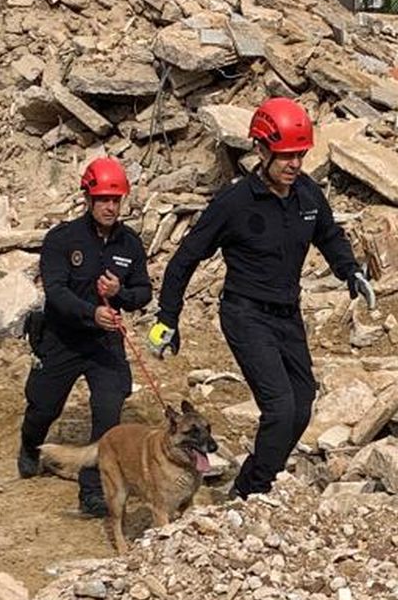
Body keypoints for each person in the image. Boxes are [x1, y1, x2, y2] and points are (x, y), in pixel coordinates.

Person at [148, 96, 375, 499]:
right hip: (245, 314)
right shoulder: (234, 203)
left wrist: (351, 271)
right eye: (285, 156)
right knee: (279, 408)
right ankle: (254, 492)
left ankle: (255, 478)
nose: (293, 165)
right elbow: (186, 257)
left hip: (287, 313)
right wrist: (168, 316)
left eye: (299, 156)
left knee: (302, 404)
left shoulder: (307, 194)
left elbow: (329, 236)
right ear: (260, 149)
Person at [19, 156, 152, 517]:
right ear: (88, 199)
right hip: (62, 338)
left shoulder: (129, 244)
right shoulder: (63, 239)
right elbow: (57, 292)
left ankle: (91, 490)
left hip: (104, 343)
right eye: (103, 200)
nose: (110, 207)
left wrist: (121, 293)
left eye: (116, 200)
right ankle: (31, 446)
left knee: (108, 409)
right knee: (43, 406)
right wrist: (90, 311)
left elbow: (144, 293)